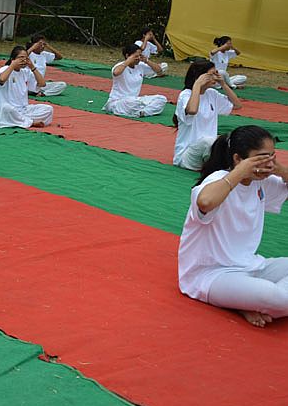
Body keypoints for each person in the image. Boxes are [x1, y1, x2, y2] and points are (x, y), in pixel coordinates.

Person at [178, 125, 288, 328]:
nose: (268, 163)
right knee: (278, 298)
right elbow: (205, 202)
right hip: (211, 275)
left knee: (273, 291)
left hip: (252, 265)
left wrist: (280, 169)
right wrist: (239, 173)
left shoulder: (260, 181)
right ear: (238, 159)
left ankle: (246, 298)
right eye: (262, 157)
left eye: (272, 156)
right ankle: (250, 298)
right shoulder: (218, 180)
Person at [173, 60, 242, 170]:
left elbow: (237, 105)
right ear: (199, 77)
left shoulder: (212, 94)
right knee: (208, 141)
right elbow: (192, 110)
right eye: (211, 74)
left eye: (216, 73)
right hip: (187, 156)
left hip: (209, 149)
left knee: (230, 140)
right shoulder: (185, 95)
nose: (215, 77)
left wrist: (223, 84)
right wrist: (197, 85)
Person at [0, 46, 54, 128]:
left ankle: (22, 120)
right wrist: (12, 65)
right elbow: (2, 80)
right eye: (21, 57)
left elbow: (42, 84)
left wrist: (32, 67)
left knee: (48, 109)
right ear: (13, 58)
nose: (24, 60)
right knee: (5, 109)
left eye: (26, 58)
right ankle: (30, 122)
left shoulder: (25, 72)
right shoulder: (5, 69)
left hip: (23, 110)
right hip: (8, 109)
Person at [103, 44, 167, 118]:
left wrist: (146, 61)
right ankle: (140, 110)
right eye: (136, 56)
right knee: (131, 103)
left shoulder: (140, 66)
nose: (138, 58)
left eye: (140, 56)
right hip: (119, 102)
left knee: (161, 99)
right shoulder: (120, 65)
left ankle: (142, 112)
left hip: (134, 100)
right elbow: (116, 72)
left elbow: (159, 71)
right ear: (127, 56)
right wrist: (128, 61)